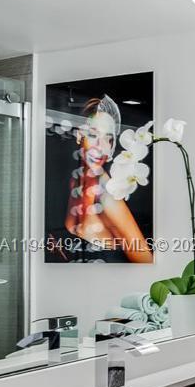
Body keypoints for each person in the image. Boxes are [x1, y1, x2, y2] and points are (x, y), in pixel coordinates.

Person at [63, 96, 152, 263]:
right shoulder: (75, 182)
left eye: (108, 139)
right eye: (93, 135)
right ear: (79, 135)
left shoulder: (107, 196)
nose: (101, 146)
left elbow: (146, 261)